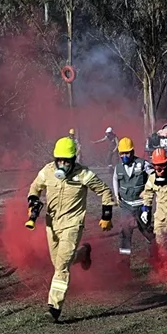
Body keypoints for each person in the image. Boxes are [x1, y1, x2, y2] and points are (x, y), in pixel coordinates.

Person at [27, 137, 117, 322]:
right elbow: (34, 187)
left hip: (73, 224)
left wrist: (106, 215)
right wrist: (33, 200)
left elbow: (105, 191)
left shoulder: (83, 174)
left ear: (73, 159)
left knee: (61, 267)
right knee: (59, 262)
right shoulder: (47, 171)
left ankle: (54, 307)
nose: (63, 164)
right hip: (52, 224)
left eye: (66, 161)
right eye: (59, 160)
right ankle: (83, 254)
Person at [112, 137, 152, 255]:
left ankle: (155, 254)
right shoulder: (118, 167)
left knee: (146, 229)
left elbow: (154, 175)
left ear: (133, 152)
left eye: (127, 153)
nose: (125, 156)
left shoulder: (143, 164)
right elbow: (115, 179)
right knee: (125, 231)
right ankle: (124, 259)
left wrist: (148, 190)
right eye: (122, 153)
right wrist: (116, 194)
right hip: (126, 205)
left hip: (141, 205)